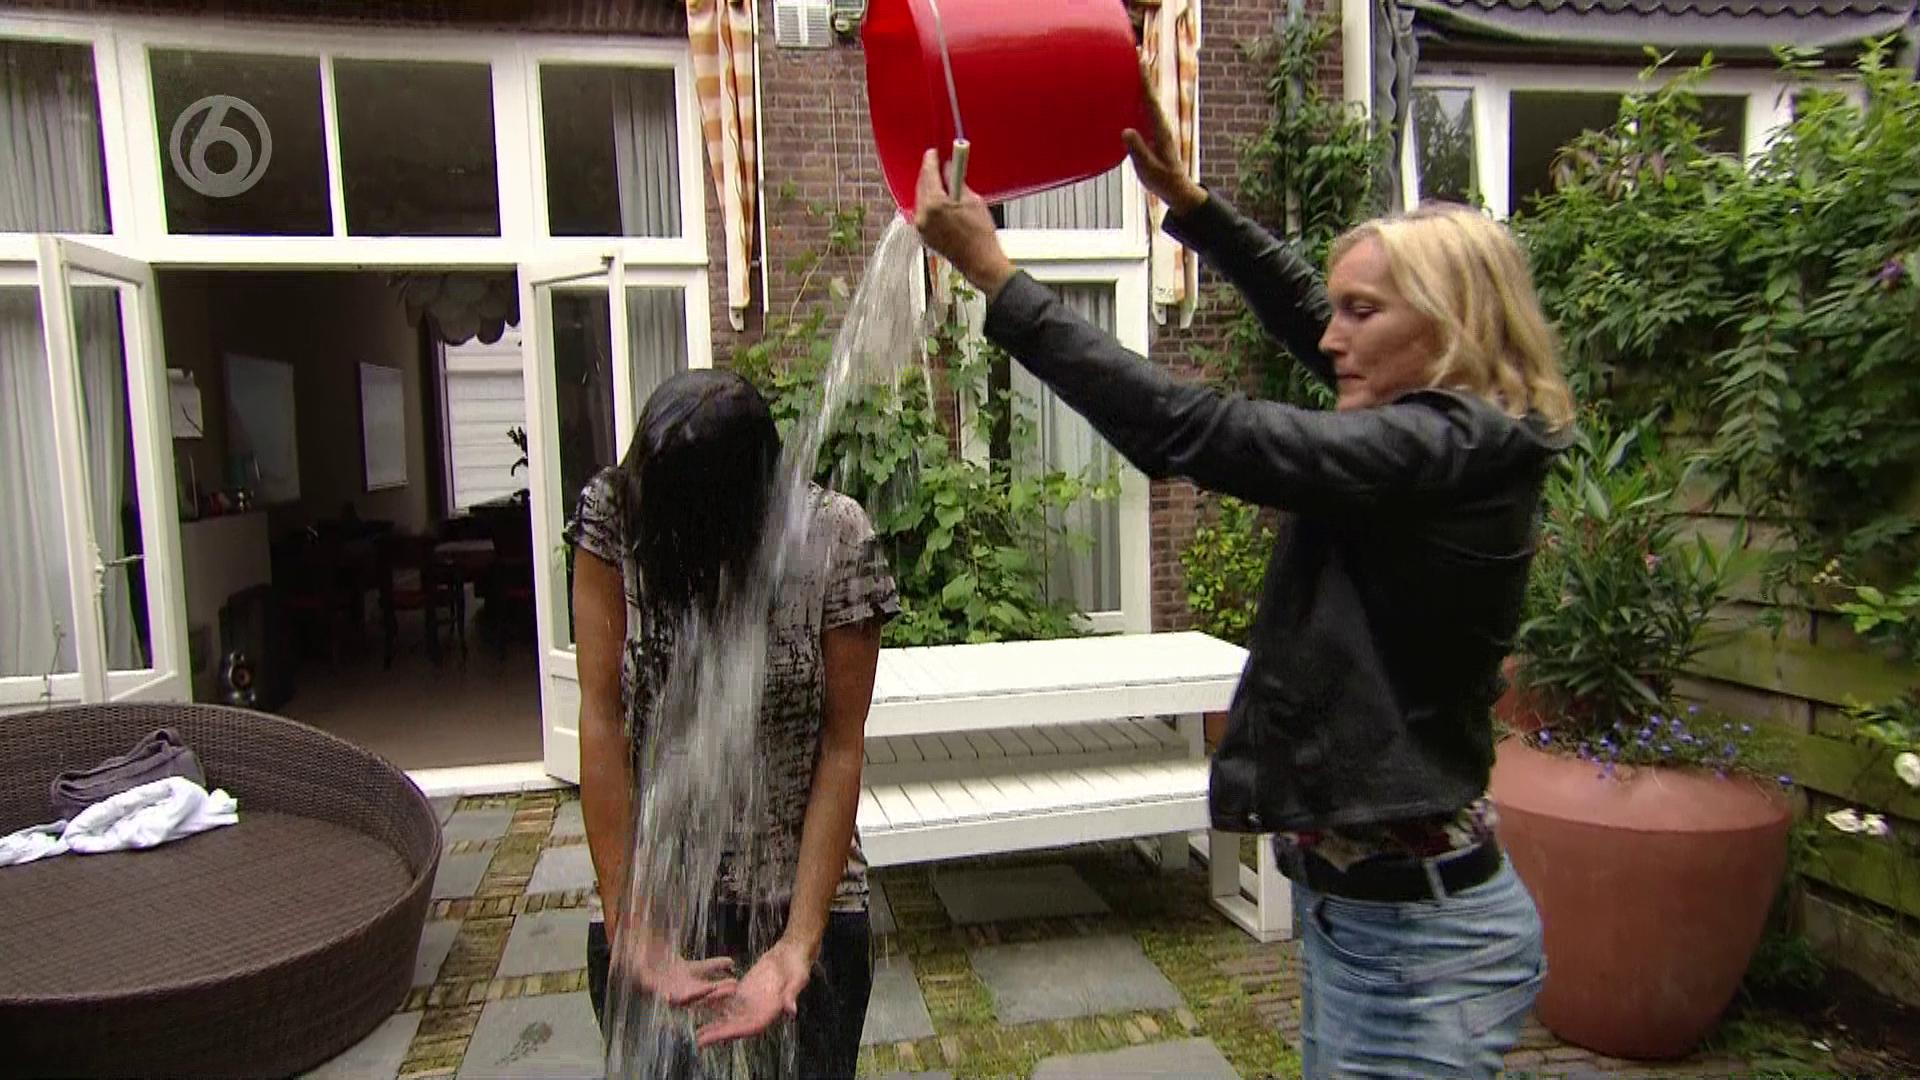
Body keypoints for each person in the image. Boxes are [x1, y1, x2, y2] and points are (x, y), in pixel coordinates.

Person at [911, 73, 1577, 1078]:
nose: (1331, 336)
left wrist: (1000, 279)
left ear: (1449, 327)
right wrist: (1193, 206)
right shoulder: (1445, 434)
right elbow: (1314, 316)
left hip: (1417, 953)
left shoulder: (1446, 450)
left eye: (1363, 311)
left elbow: (1197, 430)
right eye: (1338, 309)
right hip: (1376, 924)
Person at [568, 368, 898, 1078]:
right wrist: (629, 923)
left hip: (802, 891)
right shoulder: (616, 515)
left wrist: (798, 943)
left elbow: (841, 748)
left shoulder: (833, 539)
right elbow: (601, 717)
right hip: (656, 900)